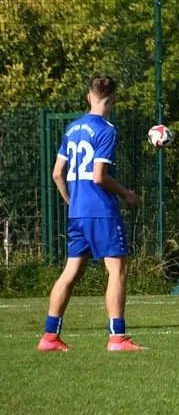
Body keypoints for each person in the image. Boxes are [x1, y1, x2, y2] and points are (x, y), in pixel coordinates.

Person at [38, 76, 144, 352]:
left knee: (71, 272)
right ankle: (117, 338)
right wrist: (126, 194)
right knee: (118, 270)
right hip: (101, 211)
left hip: (78, 213)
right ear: (114, 99)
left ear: (89, 97)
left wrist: (73, 203)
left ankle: (49, 337)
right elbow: (99, 176)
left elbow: (57, 174)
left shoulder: (72, 128)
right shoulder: (106, 130)